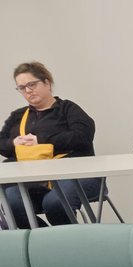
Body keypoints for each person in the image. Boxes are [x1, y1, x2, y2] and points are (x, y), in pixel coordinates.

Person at [1, 61, 101, 228]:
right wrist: (14, 142)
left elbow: (83, 136)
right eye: (22, 87)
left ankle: (68, 245)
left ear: (47, 82)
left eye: (32, 84)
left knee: (55, 202)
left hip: (75, 176)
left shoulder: (68, 109)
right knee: (11, 202)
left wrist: (41, 140)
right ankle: (43, 242)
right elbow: (2, 143)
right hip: (33, 181)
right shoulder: (18, 116)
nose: (28, 91)